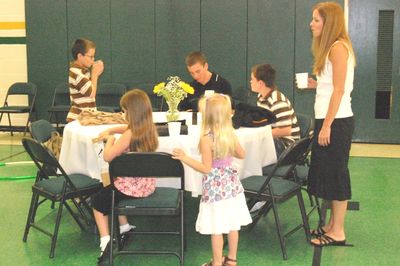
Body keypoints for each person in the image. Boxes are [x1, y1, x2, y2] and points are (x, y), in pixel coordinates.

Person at [172, 94, 251, 266]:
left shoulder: (207, 138)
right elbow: (242, 154)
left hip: (215, 189)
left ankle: (216, 263)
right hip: (232, 186)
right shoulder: (229, 133)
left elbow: (206, 168)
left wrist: (185, 158)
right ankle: (231, 260)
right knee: (232, 225)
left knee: (217, 228)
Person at [305, 2, 356, 247]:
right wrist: (316, 86)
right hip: (328, 119)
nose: (311, 24)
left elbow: (339, 90)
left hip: (337, 122)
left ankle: (338, 231)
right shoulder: (330, 49)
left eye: (316, 20)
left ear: (329, 23)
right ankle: (331, 225)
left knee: (336, 174)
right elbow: (330, 86)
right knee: (328, 173)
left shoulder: (338, 48)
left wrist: (326, 126)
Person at [91, 89, 159, 264]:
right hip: (146, 185)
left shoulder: (129, 135)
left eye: (124, 110)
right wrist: (113, 128)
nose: (123, 113)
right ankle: (125, 227)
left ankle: (105, 241)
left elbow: (108, 156)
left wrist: (110, 139)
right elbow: (126, 128)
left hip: (130, 188)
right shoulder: (148, 129)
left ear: (132, 112)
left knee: (98, 202)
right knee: (114, 190)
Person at [250, 64, 300, 157]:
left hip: (286, 145)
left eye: (252, 79)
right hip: (274, 140)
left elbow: (286, 130)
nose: (250, 81)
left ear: (260, 83)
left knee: (250, 149)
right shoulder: (261, 98)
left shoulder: (277, 101)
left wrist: (260, 135)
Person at [67, 38, 104, 122]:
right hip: (79, 118)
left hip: (86, 117)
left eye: (93, 57)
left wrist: (96, 73)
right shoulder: (76, 73)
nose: (93, 59)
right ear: (80, 56)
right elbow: (91, 93)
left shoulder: (83, 71)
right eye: (90, 56)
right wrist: (94, 74)